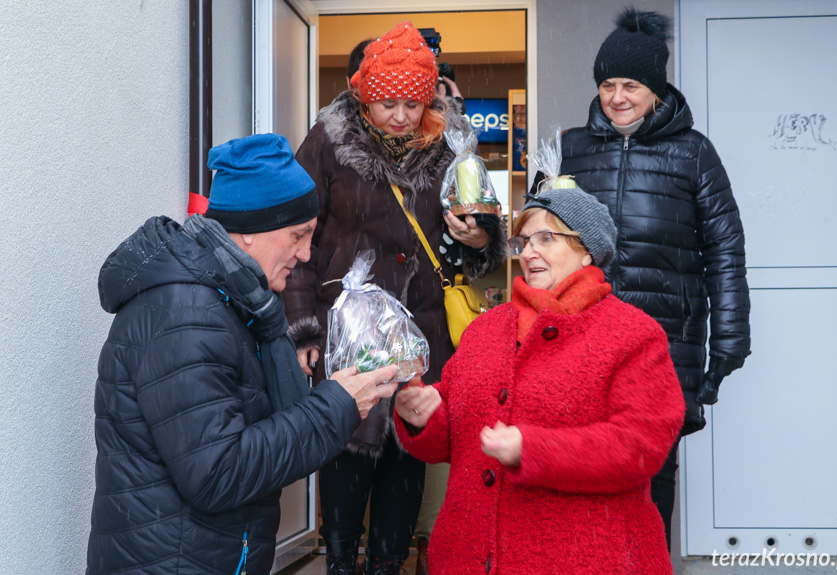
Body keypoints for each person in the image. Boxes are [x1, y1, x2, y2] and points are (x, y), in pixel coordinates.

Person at [86, 133, 399, 575]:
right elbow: (218, 474)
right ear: (250, 232)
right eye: (298, 235)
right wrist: (336, 406)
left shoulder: (234, 303)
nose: (306, 253)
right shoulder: (187, 313)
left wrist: (338, 399)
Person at [283, 21, 506, 575]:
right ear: (364, 95)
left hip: (421, 327)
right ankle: (339, 561)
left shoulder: (453, 144)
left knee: (408, 454)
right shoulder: (328, 141)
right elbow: (298, 240)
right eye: (388, 103)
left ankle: (388, 564)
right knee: (344, 449)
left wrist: (478, 238)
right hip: (349, 327)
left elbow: (475, 243)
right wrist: (303, 327)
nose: (402, 116)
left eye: (413, 103)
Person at [530, 8, 751, 547]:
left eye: (632, 84)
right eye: (608, 84)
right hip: (582, 339)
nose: (618, 96)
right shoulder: (570, 148)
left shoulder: (694, 153)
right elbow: (539, 236)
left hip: (663, 340)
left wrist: (729, 337)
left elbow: (724, 250)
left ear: (657, 89)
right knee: (580, 464)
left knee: (652, 470)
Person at [393, 188, 685, 574]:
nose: (529, 252)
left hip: (592, 558)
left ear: (587, 250)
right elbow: (454, 438)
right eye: (523, 241)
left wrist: (534, 450)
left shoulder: (633, 334)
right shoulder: (485, 331)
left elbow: (639, 446)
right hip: (468, 556)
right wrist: (422, 417)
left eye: (547, 238)